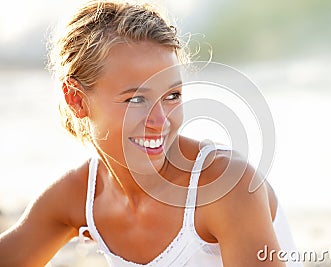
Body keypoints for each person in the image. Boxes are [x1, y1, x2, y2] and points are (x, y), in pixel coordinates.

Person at [0, 1, 297, 266]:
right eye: (136, 99)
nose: (160, 121)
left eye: (172, 96)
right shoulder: (80, 196)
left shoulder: (224, 187)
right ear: (76, 100)